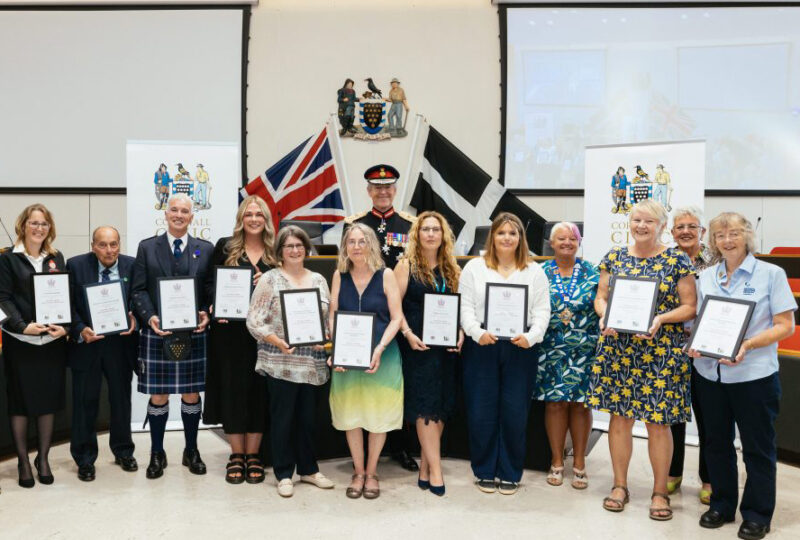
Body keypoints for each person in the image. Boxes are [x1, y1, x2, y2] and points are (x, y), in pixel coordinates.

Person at [588, 199, 697, 521]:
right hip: (618, 350)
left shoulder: (677, 260)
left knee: (658, 424)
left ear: (661, 226)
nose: (641, 226)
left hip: (660, 352)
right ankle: (619, 486)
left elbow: (689, 306)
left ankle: (660, 491)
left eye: (649, 221)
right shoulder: (614, 257)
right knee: (619, 421)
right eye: (636, 220)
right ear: (629, 223)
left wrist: (661, 319)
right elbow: (601, 297)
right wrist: (604, 315)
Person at [689, 212, 796, 540]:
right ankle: (721, 504)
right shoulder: (706, 276)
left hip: (754, 376)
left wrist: (747, 344)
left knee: (757, 447)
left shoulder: (771, 273)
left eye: (734, 233)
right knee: (716, 443)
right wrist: (694, 342)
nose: (727, 240)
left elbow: (785, 325)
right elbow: (699, 320)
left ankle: (757, 513)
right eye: (720, 235)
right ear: (714, 241)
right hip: (710, 374)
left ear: (747, 236)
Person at [459, 212, 550, 495]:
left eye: (513, 233)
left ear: (520, 238)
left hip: (520, 347)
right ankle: (485, 470)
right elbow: (465, 308)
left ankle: (510, 472)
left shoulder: (534, 271)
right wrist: (476, 332)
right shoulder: (475, 268)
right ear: (492, 237)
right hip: (483, 344)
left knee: (514, 411)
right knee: (481, 411)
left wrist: (532, 337)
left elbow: (542, 311)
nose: (507, 238)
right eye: (501, 233)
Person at [247, 225, 335, 497]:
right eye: (289, 246)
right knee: (283, 419)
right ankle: (284, 473)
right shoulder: (270, 280)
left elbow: (327, 321)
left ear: (306, 248)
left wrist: (329, 340)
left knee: (309, 420)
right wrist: (276, 341)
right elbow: (254, 320)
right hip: (280, 363)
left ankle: (308, 470)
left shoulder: (319, 279)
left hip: (312, 364)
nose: (295, 251)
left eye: (299, 245)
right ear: (280, 251)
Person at [130, 193, 214, 480]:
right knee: (159, 394)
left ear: (192, 217)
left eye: (185, 211)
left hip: (192, 332)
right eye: (174, 210)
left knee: (191, 393)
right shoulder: (147, 248)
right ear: (166, 215)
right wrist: (149, 316)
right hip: (157, 331)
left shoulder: (205, 248)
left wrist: (205, 312)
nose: (179, 215)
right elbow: (138, 289)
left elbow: (210, 290)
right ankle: (157, 451)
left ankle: (191, 449)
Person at [343, 163, 418, 471]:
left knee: (397, 384)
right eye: (377, 187)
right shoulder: (356, 223)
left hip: (401, 311)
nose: (383, 192)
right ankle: (359, 450)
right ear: (369, 191)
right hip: (366, 313)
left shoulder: (410, 224)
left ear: (395, 190)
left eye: (388, 187)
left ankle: (401, 446)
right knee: (362, 385)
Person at [328, 223, 404, 500]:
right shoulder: (339, 274)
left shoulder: (386, 275)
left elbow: (396, 317)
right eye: (351, 242)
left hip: (382, 357)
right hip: (347, 359)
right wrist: (337, 350)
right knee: (351, 416)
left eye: (362, 241)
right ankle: (357, 471)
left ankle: (372, 473)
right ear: (345, 247)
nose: (357, 247)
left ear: (371, 244)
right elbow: (334, 315)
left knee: (378, 416)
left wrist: (380, 348)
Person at [203, 196, 274, 484]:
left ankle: (254, 454)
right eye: (249, 214)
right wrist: (212, 304)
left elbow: (288, 287)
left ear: (266, 219)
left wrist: (266, 283)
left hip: (265, 334)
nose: (254, 219)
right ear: (241, 219)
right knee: (232, 389)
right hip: (229, 332)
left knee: (259, 391)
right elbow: (208, 283)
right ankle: (236, 454)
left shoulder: (275, 252)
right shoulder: (225, 247)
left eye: (259, 214)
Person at [394, 211, 463, 497]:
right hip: (418, 349)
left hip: (446, 350)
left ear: (443, 235)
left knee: (441, 405)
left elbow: (460, 309)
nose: (431, 234)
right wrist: (408, 335)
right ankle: (436, 470)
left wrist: (460, 334)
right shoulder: (405, 266)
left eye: (436, 229)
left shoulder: (453, 269)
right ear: (417, 235)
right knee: (425, 407)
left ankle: (425, 465)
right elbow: (394, 308)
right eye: (426, 230)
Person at [0, 204, 68, 488]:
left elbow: (64, 295)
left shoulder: (56, 257)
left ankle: (43, 459)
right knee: (20, 403)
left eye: (44, 224)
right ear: (23, 226)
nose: (39, 228)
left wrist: (64, 326)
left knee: (47, 401)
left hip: (50, 342)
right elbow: (2, 299)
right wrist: (21, 326)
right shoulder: (7, 258)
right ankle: (23, 461)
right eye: (33, 223)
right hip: (21, 341)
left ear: (49, 228)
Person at [66, 226, 138, 482]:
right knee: (85, 403)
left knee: (121, 401)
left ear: (120, 244)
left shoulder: (132, 265)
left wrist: (135, 321)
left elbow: (140, 299)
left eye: (114, 244)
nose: (109, 250)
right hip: (87, 344)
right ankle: (84, 458)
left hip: (120, 346)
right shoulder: (75, 266)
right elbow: (69, 305)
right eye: (103, 245)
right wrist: (79, 329)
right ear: (93, 246)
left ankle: (123, 451)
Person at [534, 222, 599, 490]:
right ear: (551, 243)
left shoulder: (592, 272)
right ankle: (557, 461)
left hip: (584, 348)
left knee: (581, 404)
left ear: (579, 242)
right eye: (561, 238)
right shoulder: (539, 272)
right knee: (555, 404)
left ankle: (580, 462)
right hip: (550, 348)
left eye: (572, 239)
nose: (567, 243)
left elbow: (604, 302)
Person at [668, 206, 714, 503]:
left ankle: (709, 479)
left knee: (709, 415)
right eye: (680, 226)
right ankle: (673, 473)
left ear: (702, 232)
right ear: (672, 232)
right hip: (673, 345)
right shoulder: (667, 259)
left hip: (709, 348)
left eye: (692, 226)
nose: (686, 231)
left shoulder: (717, 260)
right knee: (673, 413)